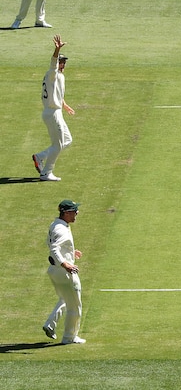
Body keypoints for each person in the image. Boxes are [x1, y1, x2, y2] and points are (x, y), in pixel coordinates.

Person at [32, 34, 75, 181]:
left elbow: (56, 94)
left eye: (63, 61)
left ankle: (40, 157)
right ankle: (46, 173)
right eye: (61, 61)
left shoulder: (58, 77)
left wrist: (65, 105)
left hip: (56, 112)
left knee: (67, 140)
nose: (63, 64)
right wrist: (56, 50)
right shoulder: (52, 73)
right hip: (52, 113)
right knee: (57, 146)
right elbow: (52, 63)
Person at [44, 199, 86, 344]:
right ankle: (69, 337)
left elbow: (50, 242)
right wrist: (65, 264)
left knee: (65, 299)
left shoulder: (56, 224)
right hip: (64, 272)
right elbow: (54, 248)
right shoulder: (61, 229)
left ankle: (50, 324)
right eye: (75, 211)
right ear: (66, 213)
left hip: (54, 271)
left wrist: (70, 252)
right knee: (75, 306)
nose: (77, 213)